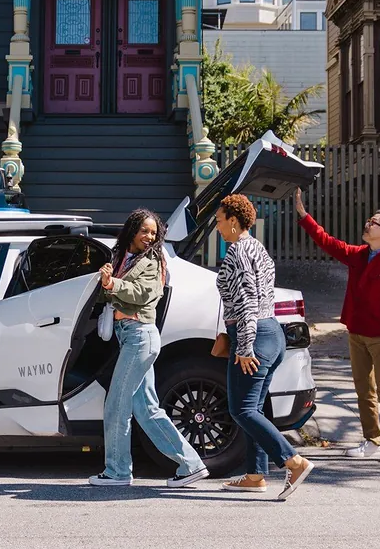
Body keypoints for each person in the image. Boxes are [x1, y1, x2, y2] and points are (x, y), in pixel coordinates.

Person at [88, 208, 209, 489]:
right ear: (132, 230)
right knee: (146, 409)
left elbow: (143, 293)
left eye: (153, 233)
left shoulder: (153, 261)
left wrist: (113, 283)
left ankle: (117, 472)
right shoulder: (122, 258)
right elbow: (112, 293)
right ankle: (191, 465)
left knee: (116, 405)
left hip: (140, 336)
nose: (149, 236)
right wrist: (106, 279)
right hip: (130, 337)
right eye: (144, 231)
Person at [295, 189, 380, 463]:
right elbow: (328, 242)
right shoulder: (360, 255)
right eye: (370, 220)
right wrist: (303, 215)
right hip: (356, 332)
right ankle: (373, 441)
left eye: (374, 222)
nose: (368, 224)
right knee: (363, 388)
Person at [215, 194, 316, 500]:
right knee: (254, 408)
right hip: (272, 333)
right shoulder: (257, 247)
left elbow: (246, 301)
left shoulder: (238, 252)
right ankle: (256, 475)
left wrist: (244, 346)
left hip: (254, 336)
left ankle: (294, 461)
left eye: (219, 220)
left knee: (242, 409)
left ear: (234, 221)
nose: (217, 226)